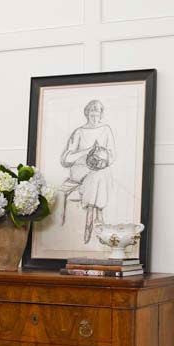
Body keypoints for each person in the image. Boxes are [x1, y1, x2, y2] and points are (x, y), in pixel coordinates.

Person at [60, 99, 116, 243]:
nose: (94, 114)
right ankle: (98, 220)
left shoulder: (106, 130)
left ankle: (90, 216)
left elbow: (112, 155)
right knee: (97, 176)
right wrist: (85, 152)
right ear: (87, 113)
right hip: (80, 169)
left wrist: (101, 157)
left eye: (97, 111)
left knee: (101, 174)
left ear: (101, 114)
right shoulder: (79, 132)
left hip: (100, 169)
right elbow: (66, 159)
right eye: (91, 111)